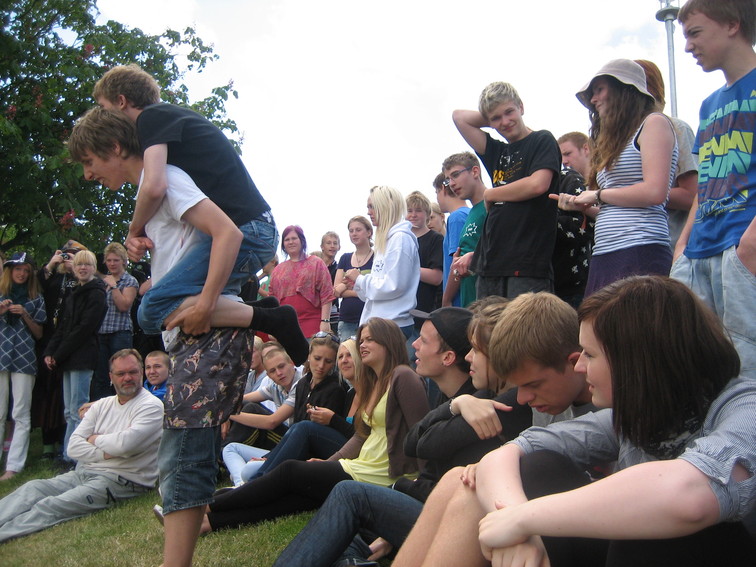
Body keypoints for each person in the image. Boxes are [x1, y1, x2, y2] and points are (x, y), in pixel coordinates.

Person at [66, 107, 306, 567]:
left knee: (183, 454)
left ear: (114, 147)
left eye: (89, 162)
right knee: (183, 453)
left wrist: (207, 301)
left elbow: (226, 233)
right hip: (195, 337)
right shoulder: (153, 192)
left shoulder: (168, 180)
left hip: (210, 338)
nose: (88, 174)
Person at [403, 276, 755, 567]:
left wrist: (521, 520)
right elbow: (510, 452)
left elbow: (692, 495)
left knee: (650, 531)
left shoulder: (744, 407)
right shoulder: (630, 414)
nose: (580, 366)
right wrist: (517, 524)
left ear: (636, 359)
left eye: (590, 354)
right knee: (500, 474)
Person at [92, 65, 283, 342]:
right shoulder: (170, 119)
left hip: (248, 229)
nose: (102, 115)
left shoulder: (151, 118)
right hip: (252, 227)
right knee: (182, 297)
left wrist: (134, 230)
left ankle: (272, 318)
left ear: (121, 101)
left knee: (152, 308)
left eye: (103, 107)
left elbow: (154, 185)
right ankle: (255, 309)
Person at [198, 317, 430, 534]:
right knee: (300, 499)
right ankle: (212, 522)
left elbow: (421, 434)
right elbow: (361, 436)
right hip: (362, 465)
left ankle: (208, 506)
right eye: (362, 340)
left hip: (383, 473)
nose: (362, 345)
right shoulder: (374, 383)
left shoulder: (403, 376)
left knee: (290, 470)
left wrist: (423, 485)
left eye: (370, 339)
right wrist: (330, 463)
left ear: (388, 342)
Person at [0, 349, 163, 543]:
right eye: (121, 373)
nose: (127, 378)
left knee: (52, 505)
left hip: (122, 481)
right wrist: (106, 453)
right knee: (32, 488)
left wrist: (94, 439)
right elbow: (73, 447)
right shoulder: (102, 405)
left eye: (133, 372)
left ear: (141, 372)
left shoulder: (151, 406)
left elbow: (124, 445)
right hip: (83, 472)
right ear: (111, 377)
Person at [672, 0, 756, 374]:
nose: (688, 46)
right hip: (698, 253)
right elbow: (706, 179)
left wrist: (749, 244)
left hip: (742, 248)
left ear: (732, 25)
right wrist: (682, 245)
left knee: (747, 369)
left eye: (695, 33)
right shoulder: (709, 105)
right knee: (695, 367)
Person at [561, 59, 679, 297]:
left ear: (625, 90)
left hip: (640, 247)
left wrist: (597, 195)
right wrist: (582, 207)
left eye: (599, 90)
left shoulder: (654, 123)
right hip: (605, 251)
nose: (594, 99)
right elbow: (615, 208)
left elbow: (655, 192)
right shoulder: (616, 140)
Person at [452, 82, 561, 299]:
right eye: (496, 118)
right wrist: (491, 116)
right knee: (486, 322)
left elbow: (538, 184)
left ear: (521, 107)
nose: (504, 121)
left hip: (527, 263)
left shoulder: (542, 140)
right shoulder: (496, 151)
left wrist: (491, 194)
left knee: (523, 322)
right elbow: (459, 118)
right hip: (490, 263)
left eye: (509, 112)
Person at [224, 338, 362, 486]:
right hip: (302, 445)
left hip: (328, 453)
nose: (321, 365)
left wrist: (332, 419)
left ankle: (255, 483)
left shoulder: (337, 389)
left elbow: (275, 423)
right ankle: (247, 482)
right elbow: (296, 426)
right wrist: (271, 457)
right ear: (309, 357)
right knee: (239, 459)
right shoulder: (303, 384)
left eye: (328, 361)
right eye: (317, 358)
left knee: (251, 469)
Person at [43, 250, 107, 462]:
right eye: (79, 264)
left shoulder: (97, 294)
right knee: (69, 410)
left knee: (79, 408)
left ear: (93, 268)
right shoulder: (74, 293)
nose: (82, 268)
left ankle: (75, 457)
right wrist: (50, 351)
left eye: (87, 265)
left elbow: (83, 329)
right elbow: (63, 326)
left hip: (83, 356)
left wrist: (59, 354)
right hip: (67, 357)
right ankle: (68, 455)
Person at [634, 59, 699, 250]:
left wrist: (631, 193)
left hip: (667, 247)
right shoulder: (617, 141)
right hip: (628, 245)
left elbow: (692, 195)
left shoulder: (677, 129)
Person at [343, 186, 420, 336]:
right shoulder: (386, 240)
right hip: (380, 322)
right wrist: (358, 284)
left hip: (392, 324)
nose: (368, 212)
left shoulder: (400, 239)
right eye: (368, 207)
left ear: (385, 206)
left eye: (372, 206)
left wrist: (360, 279)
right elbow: (376, 291)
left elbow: (394, 286)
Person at [33, 241, 85, 459]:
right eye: (65, 255)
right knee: (46, 390)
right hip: (48, 338)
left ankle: (66, 441)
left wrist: (75, 269)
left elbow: (87, 290)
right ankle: (48, 442)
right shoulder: (52, 276)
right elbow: (35, 287)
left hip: (69, 340)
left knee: (66, 396)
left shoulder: (81, 279)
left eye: (73, 255)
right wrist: (50, 265)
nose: (67, 258)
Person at [0, 252, 46, 480]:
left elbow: (39, 334)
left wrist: (25, 314)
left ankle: (14, 466)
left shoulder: (36, 298)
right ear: (9, 271)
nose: (22, 274)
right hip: (0, 357)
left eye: (26, 270)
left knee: (20, 411)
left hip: (24, 359)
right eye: (18, 269)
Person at [91, 242, 138, 401]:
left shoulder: (130, 281)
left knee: (122, 372)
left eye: (116, 260)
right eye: (109, 260)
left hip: (120, 333)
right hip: (101, 332)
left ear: (123, 261)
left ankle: (124, 406)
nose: (112, 264)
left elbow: (124, 306)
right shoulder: (101, 281)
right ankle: (102, 409)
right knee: (101, 376)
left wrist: (114, 286)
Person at [552, 133, 595, 307]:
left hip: (581, 282)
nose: (564, 161)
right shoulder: (564, 182)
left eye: (568, 154)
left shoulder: (606, 181)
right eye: (561, 157)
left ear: (586, 149)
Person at [269, 225, 335, 337]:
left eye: (294, 238)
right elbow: (272, 299)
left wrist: (325, 321)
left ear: (302, 240)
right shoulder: (278, 270)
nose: (291, 242)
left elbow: (327, 293)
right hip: (285, 327)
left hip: (312, 324)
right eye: (287, 240)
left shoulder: (316, 263)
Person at [442, 153, 487, 307]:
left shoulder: (493, 206)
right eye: (448, 179)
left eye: (455, 175)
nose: (451, 184)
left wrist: (474, 256)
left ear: (475, 171)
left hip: (490, 306)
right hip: (470, 305)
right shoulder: (471, 214)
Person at [406, 191, 444, 331]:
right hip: (401, 313)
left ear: (427, 214)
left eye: (418, 210)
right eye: (409, 211)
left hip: (424, 312)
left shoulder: (436, 239)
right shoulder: (401, 240)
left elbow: (436, 277)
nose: (413, 215)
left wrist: (405, 268)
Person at [334, 216, 374, 341]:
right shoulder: (345, 258)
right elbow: (336, 291)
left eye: (358, 230)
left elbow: (376, 289)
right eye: (351, 231)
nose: (354, 234)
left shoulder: (378, 257)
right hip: (347, 319)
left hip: (371, 319)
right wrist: (361, 290)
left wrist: (347, 286)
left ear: (369, 232)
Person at [434, 172, 470, 308]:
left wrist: (446, 299)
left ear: (442, 189)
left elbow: (457, 264)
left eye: (436, 192)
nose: (437, 199)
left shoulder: (456, 218)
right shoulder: (469, 213)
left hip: (458, 302)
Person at [319, 231, 341, 334]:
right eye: (328, 243)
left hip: (332, 313)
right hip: (313, 312)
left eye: (335, 243)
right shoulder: (315, 267)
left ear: (339, 247)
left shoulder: (339, 269)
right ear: (322, 247)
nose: (332, 246)